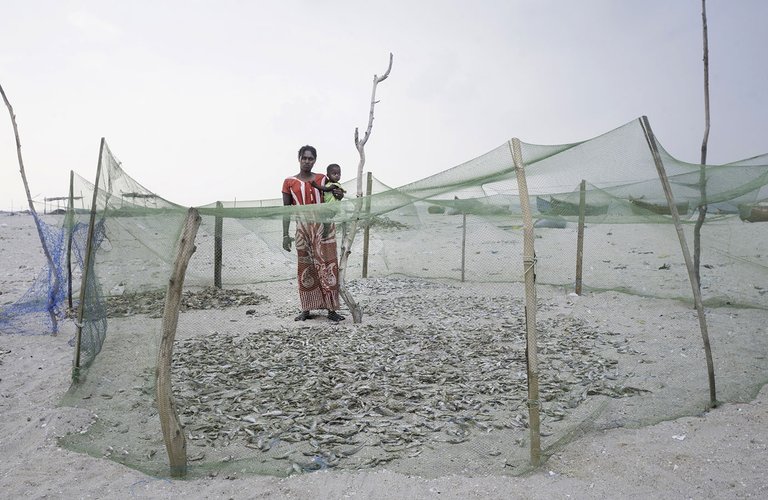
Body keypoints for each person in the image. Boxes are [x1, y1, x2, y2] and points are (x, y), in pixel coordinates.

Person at [282, 145, 345, 322]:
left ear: (315, 160)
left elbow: (333, 198)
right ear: (299, 158)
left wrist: (339, 195)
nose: (307, 161)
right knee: (305, 267)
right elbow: (286, 211)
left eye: (311, 158)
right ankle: (307, 308)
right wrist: (285, 235)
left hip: (324, 227)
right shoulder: (289, 182)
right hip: (302, 229)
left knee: (328, 265)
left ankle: (332, 310)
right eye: (304, 158)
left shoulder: (323, 178)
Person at [311, 163, 346, 238]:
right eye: (334, 174)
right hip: (329, 206)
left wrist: (316, 186)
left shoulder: (335, 184)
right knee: (324, 218)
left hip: (332, 207)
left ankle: (326, 230)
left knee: (324, 218)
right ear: (328, 175)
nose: (337, 175)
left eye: (339, 174)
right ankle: (325, 229)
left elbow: (326, 189)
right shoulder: (328, 183)